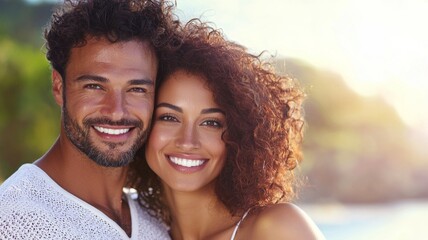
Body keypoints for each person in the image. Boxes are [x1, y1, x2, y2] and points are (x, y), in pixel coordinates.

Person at [129, 21, 325, 240]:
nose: (187, 141)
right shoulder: (134, 230)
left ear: (240, 136)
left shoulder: (275, 228)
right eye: (168, 117)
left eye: (211, 123)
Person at [0, 0, 179, 239]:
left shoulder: (157, 215)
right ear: (58, 86)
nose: (116, 111)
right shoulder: (13, 219)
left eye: (136, 89)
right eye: (94, 86)